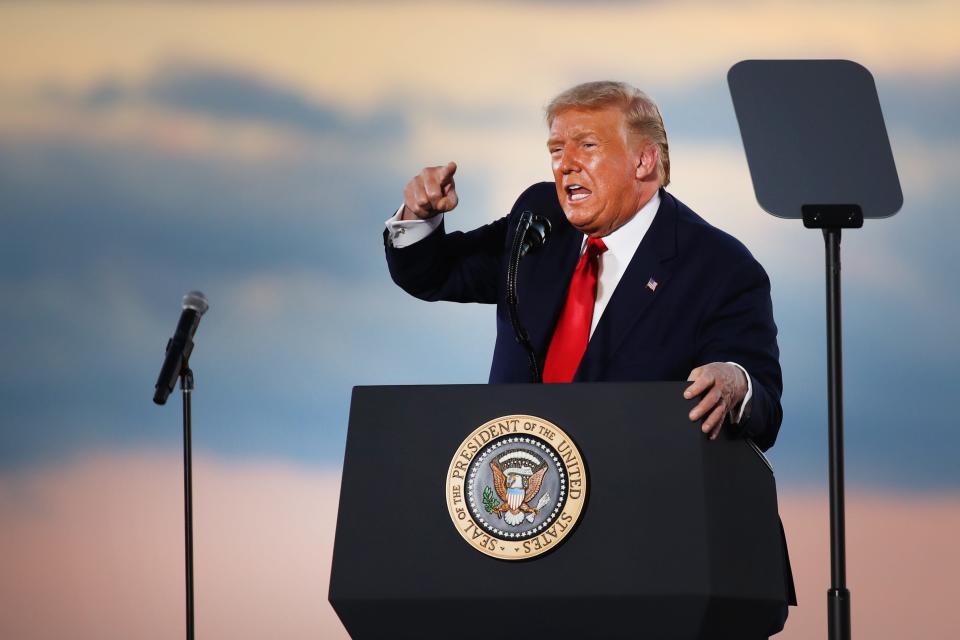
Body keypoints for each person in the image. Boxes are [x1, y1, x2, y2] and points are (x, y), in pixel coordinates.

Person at [385, 80, 795, 634]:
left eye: (587, 147)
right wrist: (419, 214)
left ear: (645, 161)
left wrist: (733, 382)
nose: (565, 166)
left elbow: (762, 402)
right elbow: (436, 271)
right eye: (556, 150)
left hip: (651, 558)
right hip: (521, 542)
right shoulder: (540, 221)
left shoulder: (719, 266)